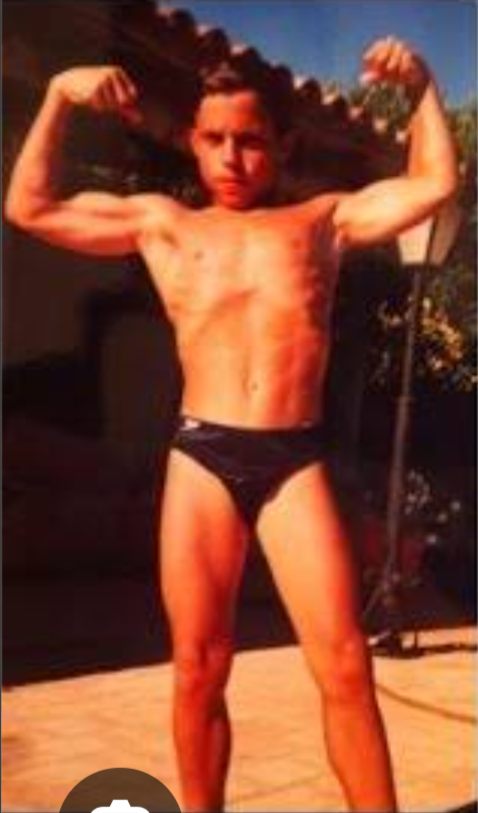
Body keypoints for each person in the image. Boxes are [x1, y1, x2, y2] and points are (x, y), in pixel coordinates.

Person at [5, 35, 458, 813]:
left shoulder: (322, 220)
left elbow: (433, 182)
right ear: (192, 141)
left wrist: (421, 88)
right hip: (204, 456)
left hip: (294, 459)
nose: (231, 157)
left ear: (281, 145)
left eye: (249, 140)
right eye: (214, 139)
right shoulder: (163, 222)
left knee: (345, 663)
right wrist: (57, 97)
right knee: (199, 667)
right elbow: (28, 206)